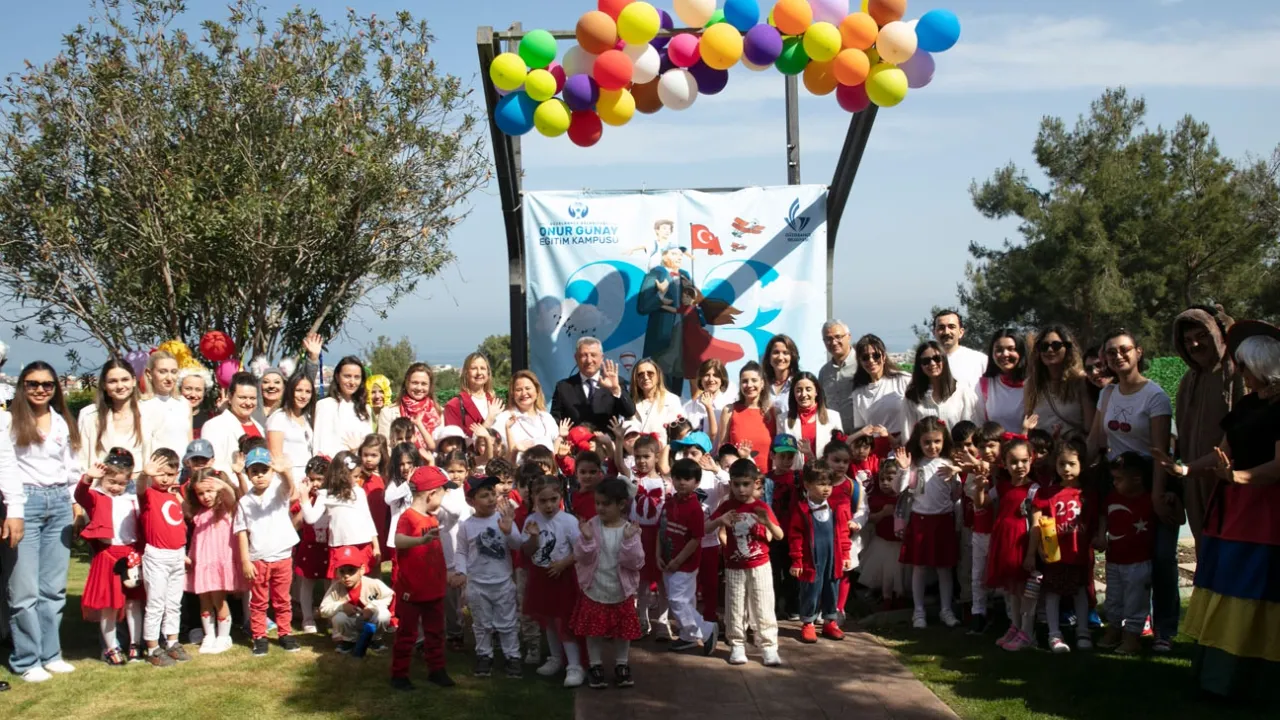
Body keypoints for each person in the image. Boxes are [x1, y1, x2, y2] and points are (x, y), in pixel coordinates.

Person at [1165, 321, 1280, 697]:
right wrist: (1184, 469)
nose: (1241, 372)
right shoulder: (1247, 405)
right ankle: (1218, 676)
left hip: (1266, 514)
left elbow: (1278, 466)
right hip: (1233, 510)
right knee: (1226, 585)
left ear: (1263, 366)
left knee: (1255, 586)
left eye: (1244, 366)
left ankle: (1255, 681)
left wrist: (1238, 477)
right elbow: (1222, 454)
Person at [1087, 329, 1176, 652]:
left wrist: (1156, 495)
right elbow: (1096, 439)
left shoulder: (1155, 396)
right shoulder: (1107, 394)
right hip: (1117, 483)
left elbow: (1161, 452)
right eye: (1111, 352)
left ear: (1138, 352)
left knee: (1161, 558)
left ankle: (1164, 630)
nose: (1118, 356)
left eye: (1124, 349)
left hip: (1152, 481)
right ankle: (1120, 626)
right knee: (1121, 558)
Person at [4, 361, 83, 682]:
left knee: (53, 589)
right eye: (33, 384)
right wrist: (13, 510)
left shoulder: (62, 422)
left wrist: (76, 503)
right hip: (25, 502)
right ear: (22, 386)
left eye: (47, 384)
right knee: (24, 590)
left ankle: (51, 654)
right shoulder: (10, 422)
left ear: (55, 388)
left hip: (59, 503)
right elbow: (5, 468)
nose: (40, 389)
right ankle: (26, 659)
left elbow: (72, 468)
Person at [1170, 306, 1241, 554]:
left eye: (1202, 336)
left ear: (1217, 335)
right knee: (1206, 552)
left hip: (1230, 482)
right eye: (1188, 340)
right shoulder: (1188, 381)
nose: (1195, 345)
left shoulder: (1236, 374)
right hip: (1194, 482)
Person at [571, 476, 645, 688]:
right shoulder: (591, 526)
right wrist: (586, 539)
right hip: (595, 587)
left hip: (620, 590)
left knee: (623, 631)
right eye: (598, 503)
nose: (600, 508)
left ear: (621, 505)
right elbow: (582, 557)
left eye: (606, 504)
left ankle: (622, 664)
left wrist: (629, 541)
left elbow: (636, 562)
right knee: (593, 631)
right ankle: (595, 665)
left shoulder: (630, 529)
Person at [709, 460, 783, 666]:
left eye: (746, 484)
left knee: (763, 605)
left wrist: (767, 522)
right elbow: (705, 528)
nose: (741, 489)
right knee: (734, 606)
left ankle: (769, 647)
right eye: (736, 484)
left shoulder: (761, 507)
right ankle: (737, 645)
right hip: (734, 567)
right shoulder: (726, 507)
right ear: (730, 484)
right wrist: (720, 520)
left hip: (760, 565)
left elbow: (779, 535)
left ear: (756, 483)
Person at [75, 449, 143, 666]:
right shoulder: (97, 497)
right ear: (103, 478)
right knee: (109, 606)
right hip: (108, 555)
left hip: (130, 553)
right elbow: (80, 496)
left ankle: (135, 645)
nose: (115, 487)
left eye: (121, 483)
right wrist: (88, 478)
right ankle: (112, 647)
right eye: (111, 482)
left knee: (133, 603)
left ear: (128, 481)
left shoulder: (132, 499)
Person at [390, 465, 455, 690]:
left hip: (433, 588)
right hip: (412, 589)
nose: (442, 501)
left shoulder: (431, 518)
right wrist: (419, 541)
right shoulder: (408, 517)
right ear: (431, 494)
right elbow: (398, 540)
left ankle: (437, 670)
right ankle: (399, 674)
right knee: (407, 634)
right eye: (442, 495)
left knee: (436, 632)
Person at [894, 417, 961, 629]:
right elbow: (898, 489)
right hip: (920, 521)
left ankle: (946, 610)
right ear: (919, 442)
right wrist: (903, 469)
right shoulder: (914, 465)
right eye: (927, 442)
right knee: (920, 568)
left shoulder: (949, 464)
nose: (932, 446)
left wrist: (956, 475)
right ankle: (919, 611)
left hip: (944, 521)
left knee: (944, 568)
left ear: (944, 441)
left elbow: (956, 495)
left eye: (937, 441)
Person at [454, 476, 523, 679]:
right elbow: (461, 552)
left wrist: (509, 531)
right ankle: (484, 655)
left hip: (502, 581)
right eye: (484, 495)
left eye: (493, 493)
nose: (491, 499)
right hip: (477, 583)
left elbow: (517, 544)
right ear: (471, 501)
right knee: (481, 623)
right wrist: (461, 572)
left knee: (508, 622)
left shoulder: (503, 518)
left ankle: (512, 656)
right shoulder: (467, 526)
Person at [233, 446, 300, 656]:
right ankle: (259, 636)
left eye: (264, 470)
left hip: (282, 556)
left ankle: (285, 633)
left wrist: (284, 471)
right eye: (255, 471)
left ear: (272, 472)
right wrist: (245, 561)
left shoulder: (277, 492)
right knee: (258, 601)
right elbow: (241, 532)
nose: (260, 475)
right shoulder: (244, 502)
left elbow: (289, 487)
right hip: (258, 558)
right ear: (248, 474)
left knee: (282, 599)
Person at [521, 474, 585, 688]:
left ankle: (574, 665)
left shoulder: (569, 521)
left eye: (553, 499)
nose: (549, 505)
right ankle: (556, 658)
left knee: (563, 621)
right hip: (541, 577)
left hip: (562, 577)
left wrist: (563, 564)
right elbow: (527, 551)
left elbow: (580, 550)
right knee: (548, 619)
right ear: (534, 498)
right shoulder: (531, 520)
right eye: (543, 500)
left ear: (560, 497)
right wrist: (533, 537)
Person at [1095, 452, 1156, 655]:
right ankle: (1113, 630)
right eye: (1113, 478)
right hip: (1114, 560)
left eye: (1119, 479)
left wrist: (1171, 500)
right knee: (1113, 598)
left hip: (1138, 562)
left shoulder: (1149, 500)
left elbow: (1175, 517)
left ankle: (1132, 636)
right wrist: (1101, 536)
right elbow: (1104, 516)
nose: (1114, 483)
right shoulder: (1112, 497)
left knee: (1135, 600)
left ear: (1137, 479)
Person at [983, 437, 1039, 652]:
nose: (1019, 466)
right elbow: (982, 502)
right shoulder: (1003, 487)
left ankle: (1027, 631)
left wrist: (1031, 554)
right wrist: (979, 485)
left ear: (1031, 460)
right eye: (1014, 462)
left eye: (1024, 460)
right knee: (1012, 590)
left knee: (1026, 591)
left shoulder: (1034, 490)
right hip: (1006, 543)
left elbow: (1036, 524)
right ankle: (1015, 626)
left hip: (1022, 544)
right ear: (1005, 464)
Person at [136, 449, 190, 667]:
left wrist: (183, 553)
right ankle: (152, 647)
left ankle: (172, 641)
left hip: (177, 554)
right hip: (157, 554)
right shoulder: (149, 494)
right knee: (156, 603)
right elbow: (140, 488)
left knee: (174, 602)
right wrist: (144, 474)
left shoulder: (174, 497)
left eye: (170, 474)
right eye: (161, 474)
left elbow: (182, 522)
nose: (165, 478)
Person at [658, 458, 718, 655]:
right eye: (678, 478)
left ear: (697, 482)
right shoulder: (669, 503)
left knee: (677, 600)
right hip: (667, 560)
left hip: (685, 564)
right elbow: (661, 529)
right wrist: (658, 554)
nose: (682, 482)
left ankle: (706, 629)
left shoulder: (695, 508)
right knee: (684, 599)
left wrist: (678, 561)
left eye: (687, 478)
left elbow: (695, 539)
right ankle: (688, 636)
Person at [1039, 438, 1093, 653]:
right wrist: (1041, 547)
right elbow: (1041, 523)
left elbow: (1096, 520)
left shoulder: (1087, 494)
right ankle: (1054, 634)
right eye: (1062, 464)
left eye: (1071, 464)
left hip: (1079, 552)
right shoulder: (1048, 493)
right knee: (1053, 592)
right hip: (1055, 553)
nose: (1066, 469)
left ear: (1081, 465)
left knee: (1080, 591)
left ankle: (1083, 631)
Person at [788, 464, 853, 642]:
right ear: (807, 485)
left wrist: (846, 554)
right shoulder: (802, 509)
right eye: (821, 484)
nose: (826, 489)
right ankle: (808, 622)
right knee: (811, 589)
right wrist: (797, 560)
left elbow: (843, 532)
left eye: (829, 484)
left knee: (832, 587)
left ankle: (830, 621)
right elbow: (795, 537)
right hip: (812, 559)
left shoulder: (835, 507)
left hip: (833, 557)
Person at [184, 467, 245, 655]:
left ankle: (224, 636)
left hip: (218, 561)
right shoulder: (199, 512)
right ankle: (209, 634)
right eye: (201, 493)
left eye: (209, 491)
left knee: (218, 599)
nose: (206, 497)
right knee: (204, 599)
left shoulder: (226, 507)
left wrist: (224, 486)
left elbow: (233, 498)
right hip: (201, 562)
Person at [626, 435, 671, 640]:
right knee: (641, 582)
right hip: (638, 537)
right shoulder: (633, 481)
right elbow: (620, 465)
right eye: (638, 457)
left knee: (662, 582)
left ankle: (663, 621)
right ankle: (642, 619)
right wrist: (618, 442)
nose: (642, 461)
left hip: (659, 537)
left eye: (646, 456)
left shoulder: (666, 483)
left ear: (656, 456)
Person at [78, 358, 150, 477]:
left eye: (125, 380)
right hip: (103, 484)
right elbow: (83, 458)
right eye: (113, 381)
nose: (120, 386)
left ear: (133, 381)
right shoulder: (90, 415)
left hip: (139, 483)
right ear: (104, 385)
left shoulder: (148, 413)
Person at [637, 240, 693, 395]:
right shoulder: (656, 273)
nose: (679, 257)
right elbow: (643, 306)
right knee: (662, 379)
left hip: (684, 336)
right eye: (674, 254)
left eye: (681, 255)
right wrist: (660, 296)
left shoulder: (685, 275)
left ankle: (676, 409)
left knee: (678, 376)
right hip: (663, 339)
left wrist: (692, 299)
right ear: (664, 256)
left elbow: (691, 302)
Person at [1024, 324, 1095, 440]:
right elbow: (1028, 424)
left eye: (1056, 345)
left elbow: (1090, 429)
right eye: (1044, 346)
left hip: (1072, 447)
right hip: (1041, 449)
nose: (1049, 350)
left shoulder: (1081, 381)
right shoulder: (1031, 384)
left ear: (1067, 348)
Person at [550, 337, 636, 430]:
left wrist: (615, 390)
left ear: (602, 358)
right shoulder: (563, 387)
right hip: (573, 439)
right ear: (576, 358)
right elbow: (555, 421)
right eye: (584, 355)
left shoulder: (615, 382)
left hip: (606, 439)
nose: (589, 360)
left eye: (593, 355)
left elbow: (629, 412)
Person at [901, 341, 980, 435]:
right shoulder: (912, 397)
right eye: (926, 361)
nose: (932, 363)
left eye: (937, 358)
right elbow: (907, 433)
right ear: (920, 365)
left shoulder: (962, 392)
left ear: (944, 360)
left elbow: (972, 428)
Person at [291, 455, 331, 634]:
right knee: (307, 583)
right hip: (310, 546)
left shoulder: (331, 497)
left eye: (320, 479)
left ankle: (330, 615)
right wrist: (304, 497)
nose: (315, 484)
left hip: (328, 546)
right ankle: (307, 618)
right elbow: (296, 522)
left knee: (330, 583)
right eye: (312, 479)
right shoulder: (305, 498)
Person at [860, 461, 906, 610]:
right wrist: (883, 513)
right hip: (883, 543)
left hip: (900, 543)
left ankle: (900, 596)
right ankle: (887, 597)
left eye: (890, 479)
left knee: (900, 572)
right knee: (886, 572)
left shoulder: (904, 498)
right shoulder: (877, 498)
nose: (885, 483)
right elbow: (870, 519)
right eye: (882, 479)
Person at [717, 361, 776, 474]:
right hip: (739, 479)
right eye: (744, 381)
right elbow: (722, 449)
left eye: (754, 380)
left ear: (762, 383)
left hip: (768, 479)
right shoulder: (729, 411)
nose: (749, 385)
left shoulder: (773, 412)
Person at [201, 372, 264, 478]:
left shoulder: (261, 428)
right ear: (230, 397)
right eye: (242, 397)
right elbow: (215, 468)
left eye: (252, 398)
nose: (248, 403)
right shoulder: (214, 426)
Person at [849, 334, 910, 441]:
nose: (871, 360)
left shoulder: (903, 380)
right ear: (860, 361)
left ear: (884, 356)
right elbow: (861, 429)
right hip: (877, 446)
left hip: (905, 443)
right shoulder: (858, 393)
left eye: (876, 355)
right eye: (865, 357)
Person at [493, 370, 561, 463]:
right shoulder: (504, 418)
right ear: (512, 394)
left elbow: (557, 447)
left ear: (537, 391)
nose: (524, 393)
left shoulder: (546, 418)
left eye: (528, 388)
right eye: (519, 390)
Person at [777, 370, 843, 463]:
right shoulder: (782, 419)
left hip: (825, 471)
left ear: (816, 391)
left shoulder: (833, 417)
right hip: (794, 471)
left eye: (808, 389)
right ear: (793, 393)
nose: (803, 394)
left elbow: (840, 453)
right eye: (798, 390)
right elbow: (780, 455)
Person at [313, 356, 372, 457]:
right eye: (347, 376)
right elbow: (319, 447)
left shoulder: (365, 409)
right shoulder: (325, 406)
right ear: (337, 377)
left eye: (357, 377)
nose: (352, 382)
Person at [266, 372, 315, 484]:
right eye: (299, 390)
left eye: (308, 392)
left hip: (306, 480)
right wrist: (289, 483)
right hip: (286, 481)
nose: (303, 396)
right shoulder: (279, 418)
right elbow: (276, 458)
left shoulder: (307, 418)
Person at [380, 363, 442, 449]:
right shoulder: (388, 412)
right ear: (406, 383)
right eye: (414, 383)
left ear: (430, 386)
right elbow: (385, 447)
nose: (419, 388)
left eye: (424, 384)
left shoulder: (438, 412)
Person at [141, 351, 191, 456]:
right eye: (162, 372)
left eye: (173, 372)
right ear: (149, 373)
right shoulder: (142, 406)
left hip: (183, 464)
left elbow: (189, 441)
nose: (169, 378)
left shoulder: (184, 403)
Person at [978, 329, 1028, 433]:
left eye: (1011, 349)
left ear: (1021, 352)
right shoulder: (985, 384)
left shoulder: (1034, 384)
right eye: (999, 350)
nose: (1005, 354)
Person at [443, 354, 499, 439]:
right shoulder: (454, 406)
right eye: (474, 368)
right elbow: (453, 442)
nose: (479, 372)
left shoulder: (494, 401)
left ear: (488, 373)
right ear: (466, 373)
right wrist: (488, 421)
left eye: (482, 368)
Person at [932, 310, 988, 389]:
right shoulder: (926, 363)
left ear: (961, 332)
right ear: (934, 333)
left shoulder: (980, 360)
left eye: (952, 327)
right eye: (941, 328)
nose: (946, 332)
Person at [627, 359, 683, 438]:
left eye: (650, 373)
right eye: (640, 374)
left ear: (658, 376)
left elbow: (679, 433)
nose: (645, 377)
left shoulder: (672, 400)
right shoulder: (631, 403)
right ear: (635, 379)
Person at [819, 320, 857, 431]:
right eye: (828, 339)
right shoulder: (824, 372)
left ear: (848, 337)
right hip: (834, 435)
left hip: (861, 435)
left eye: (838, 337)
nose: (834, 342)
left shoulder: (863, 364)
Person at [682, 359, 734, 439]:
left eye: (715, 375)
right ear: (700, 379)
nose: (711, 379)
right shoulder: (688, 407)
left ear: (722, 379)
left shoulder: (729, 407)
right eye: (706, 375)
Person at [763, 334, 800, 415]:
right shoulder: (762, 385)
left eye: (785, 353)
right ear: (769, 357)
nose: (780, 357)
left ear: (792, 357)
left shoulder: (798, 384)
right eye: (776, 352)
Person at [177, 369, 213, 439]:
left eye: (198, 390)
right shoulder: (171, 416)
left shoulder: (211, 418)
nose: (193, 395)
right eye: (188, 389)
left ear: (204, 392)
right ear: (180, 389)